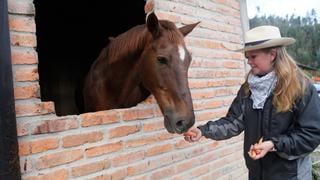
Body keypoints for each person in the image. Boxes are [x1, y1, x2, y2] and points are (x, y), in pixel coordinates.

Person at [183, 25, 320, 180]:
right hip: (256, 174)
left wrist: (273, 144)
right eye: (247, 57)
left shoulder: (301, 87)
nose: (248, 62)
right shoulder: (248, 88)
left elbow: (311, 135)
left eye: (253, 57)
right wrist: (203, 131)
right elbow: (233, 121)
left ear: (272, 54)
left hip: (291, 176)